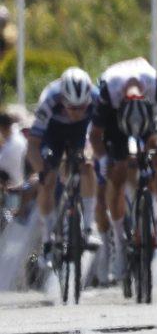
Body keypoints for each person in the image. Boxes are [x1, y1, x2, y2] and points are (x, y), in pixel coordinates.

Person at [88, 58, 157, 278]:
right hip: (115, 119)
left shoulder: (154, 85)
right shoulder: (108, 93)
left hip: (148, 113)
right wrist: (103, 159)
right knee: (117, 171)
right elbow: (95, 136)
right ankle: (120, 243)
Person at [25, 68, 101, 262]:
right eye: (72, 108)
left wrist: (90, 154)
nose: (77, 112)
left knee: (88, 166)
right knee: (48, 180)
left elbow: (98, 136)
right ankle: (48, 240)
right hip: (52, 132)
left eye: (82, 107)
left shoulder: (97, 98)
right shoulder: (50, 99)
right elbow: (33, 145)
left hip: (81, 132)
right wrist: (41, 171)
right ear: (63, 100)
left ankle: (88, 228)